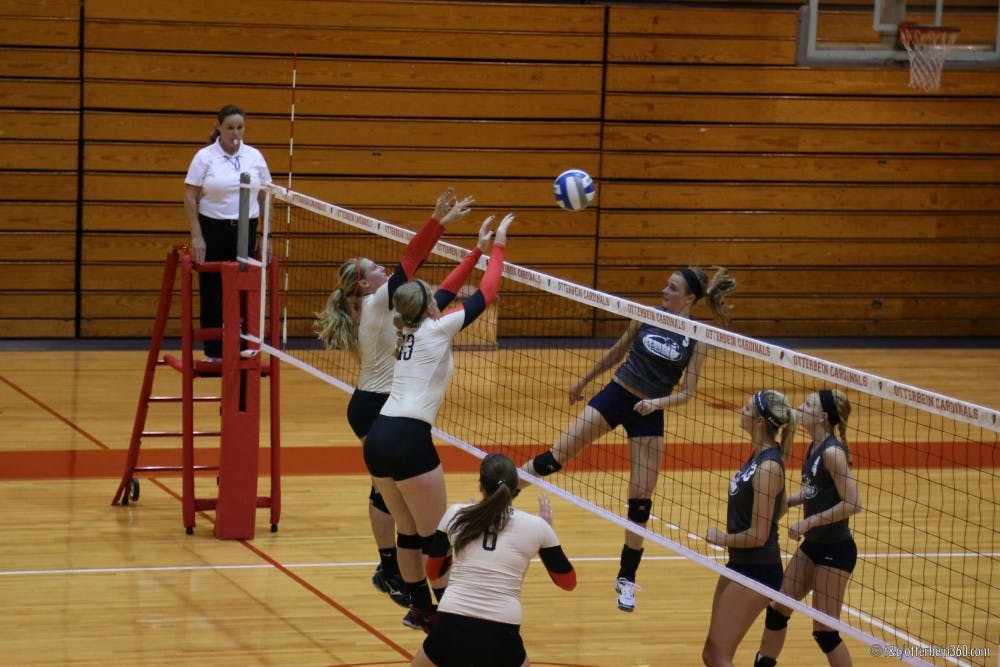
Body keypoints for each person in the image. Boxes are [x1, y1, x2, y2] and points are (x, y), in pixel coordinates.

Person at [519, 266, 737, 612]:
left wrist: (656, 404)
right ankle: (501, 494)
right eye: (666, 284)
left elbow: (688, 392)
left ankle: (627, 579)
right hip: (617, 394)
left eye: (673, 287)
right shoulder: (646, 315)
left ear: (691, 297)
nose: (664, 289)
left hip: (649, 411)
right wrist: (583, 382)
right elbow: (615, 353)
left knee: (640, 501)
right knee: (555, 457)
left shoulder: (697, 336)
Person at [314, 189, 475, 608]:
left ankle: (394, 571)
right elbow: (411, 258)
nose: (384, 269)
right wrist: (438, 222)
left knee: (386, 492)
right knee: (388, 497)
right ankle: (394, 572)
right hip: (377, 408)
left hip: (380, 407)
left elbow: (440, 295)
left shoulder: (391, 307)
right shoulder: (377, 300)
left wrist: (476, 255)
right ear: (364, 283)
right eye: (374, 268)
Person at [363, 213, 514, 632]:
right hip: (409, 438)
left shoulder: (410, 328)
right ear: (429, 305)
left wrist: (479, 249)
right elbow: (488, 291)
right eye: (434, 295)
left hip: (378, 438)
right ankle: (453, 614)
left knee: (408, 532)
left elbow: (447, 288)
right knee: (437, 536)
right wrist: (499, 245)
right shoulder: (437, 329)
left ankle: (421, 609)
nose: (439, 296)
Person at [412, 452, 577, 667]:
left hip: (451, 625)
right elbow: (568, 582)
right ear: (515, 486)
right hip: (501, 633)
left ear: (481, 485)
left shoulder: (457, 514)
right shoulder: (537, 526)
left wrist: (459, 544)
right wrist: (545, 538)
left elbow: (433, 573)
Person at [753, 389, 862, 667]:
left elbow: (853, 503)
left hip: (835, 552)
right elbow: (816, 490)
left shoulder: (832, 453)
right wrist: (789, 501)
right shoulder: (815, 446)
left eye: (809, 404)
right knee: (778, 608)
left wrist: (809, 521)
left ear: (822, 417)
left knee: (824, 632)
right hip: (813, 546)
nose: (801, 406)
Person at [702, 389, 796, 667]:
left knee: (718, 656)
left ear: (758, 422)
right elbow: (777, 510)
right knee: (711, 653)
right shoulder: (760, 457)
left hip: (758, 570)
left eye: (746, 409)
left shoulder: (767, 467)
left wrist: (723, 538)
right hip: (741, 564)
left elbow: (758, 535)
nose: (740, 411)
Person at [183, 104, 272, 361]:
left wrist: (267, 236)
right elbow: (190, 195)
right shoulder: (204, 157)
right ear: (219, 127)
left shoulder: (254, 156)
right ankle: (214, 350)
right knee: (213, 289)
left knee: (245, 287)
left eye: (240, 128)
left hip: (246, 228)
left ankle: (246, 342)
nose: (235, 133)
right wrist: (197, 236)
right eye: (230, 128)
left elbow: (266, 196)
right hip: (214, 228)